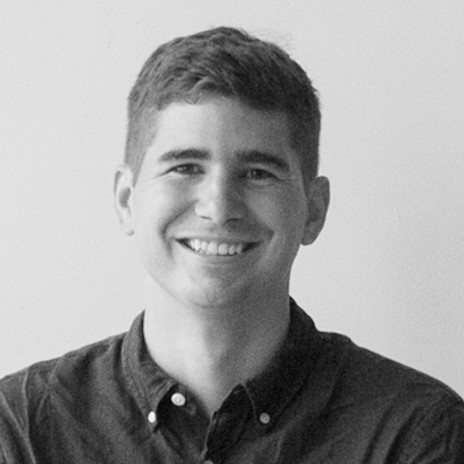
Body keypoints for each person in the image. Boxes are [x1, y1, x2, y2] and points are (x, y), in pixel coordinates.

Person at [0, 26, 463, 463]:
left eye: (258, 173)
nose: (219, 207)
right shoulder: (23, 427)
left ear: (314, 210)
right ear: (126, 200)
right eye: (185, 167)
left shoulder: (415, 432)